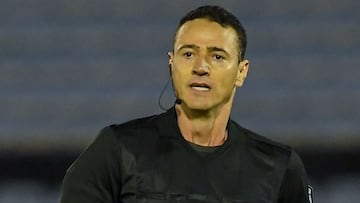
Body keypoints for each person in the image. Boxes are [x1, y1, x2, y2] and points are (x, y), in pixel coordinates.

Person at [60, 5, 312, 203]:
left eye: (217, 56)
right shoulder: (116, 151)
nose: (200, 67)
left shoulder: (279, 167)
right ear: (172, 63)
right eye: (188, 54)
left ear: (241, 72)